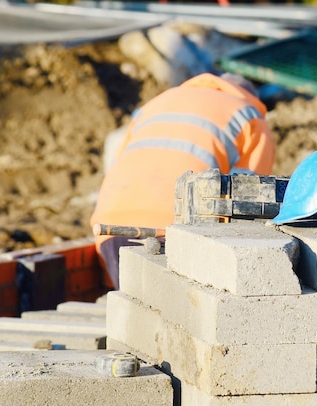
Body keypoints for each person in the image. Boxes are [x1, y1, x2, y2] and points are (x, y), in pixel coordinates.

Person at [90, 72, 276, 289]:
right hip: (175, 229)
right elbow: (246, 202)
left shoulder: (156, 103)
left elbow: (119, 162)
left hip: (109, 225)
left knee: (134, 309)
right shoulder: (250, 116)